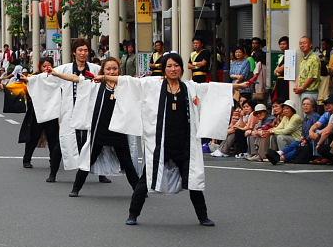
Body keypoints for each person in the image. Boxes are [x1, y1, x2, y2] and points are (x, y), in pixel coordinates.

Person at [98, 53, 244, 226]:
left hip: (183, 143)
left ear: (181, 68)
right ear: (164, 69)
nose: (173, 69)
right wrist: (105, 77)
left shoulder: (190, 87)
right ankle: (133, 214)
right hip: (161, 143)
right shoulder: (153, 85)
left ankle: (203, 216)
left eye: (176, 65)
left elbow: (212, 89)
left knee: (193, 180)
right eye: (169, 66)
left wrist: (236, 86)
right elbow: (131, 82)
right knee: (146, 179)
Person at [55, 57, 140, 196]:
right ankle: (76, 188)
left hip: (118, 130)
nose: (111, 72)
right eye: (108, 69)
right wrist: (55, 73)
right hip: (99, 130)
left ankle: (138, 190)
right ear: (103, 70)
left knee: (127, 162)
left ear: (119, 69)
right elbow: (75, 79)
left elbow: (142, 84)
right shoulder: (96, 84)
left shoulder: (125, 84)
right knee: (88, 159)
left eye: (114, 69)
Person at [18, 58, 65, 182]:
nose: (46, 68)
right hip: (37, 111)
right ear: (40, 67)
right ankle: (27, 159)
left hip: (52, 112)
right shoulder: (35, 77)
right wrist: (25, 79)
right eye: (44, 66)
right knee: (33, 136)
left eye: (49, 65)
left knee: (53, 138)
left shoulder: (56, 76)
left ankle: (53, 161)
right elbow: (27, 84)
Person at [267, 97, 320, 165]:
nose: (305, 106)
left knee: (297, 146)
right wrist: (269, 131)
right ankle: (279, 154)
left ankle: (281, 157)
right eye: (303, 104)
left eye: (308, 104)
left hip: (312, 143)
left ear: (313, 107)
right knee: (296, 144)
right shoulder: (305, 117)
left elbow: (287, 131)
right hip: (302, 140)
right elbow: (279, 128)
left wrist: (305, 139)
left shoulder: (315, 117)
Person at [294, 36, 320, 105]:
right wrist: (297, 85)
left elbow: (312, 77)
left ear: (310, 45)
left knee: (309, 111)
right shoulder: (303, 58)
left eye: (304, 43)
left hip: (310, 92)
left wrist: (302, 88)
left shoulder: (314, 58)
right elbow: (300, 74)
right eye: (300, 43)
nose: (302, 45)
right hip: (303, 91)